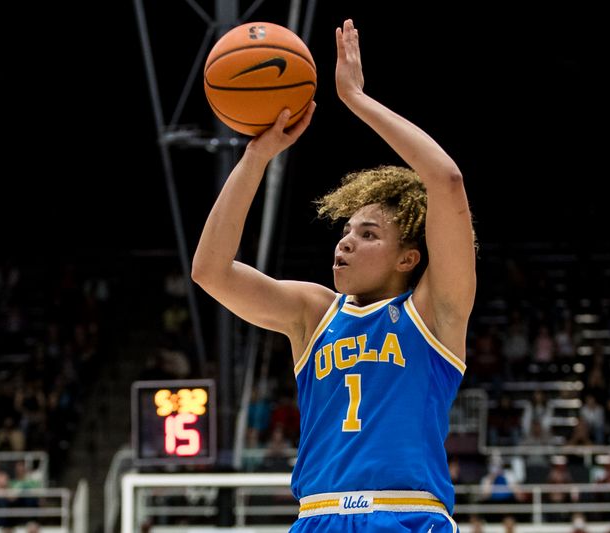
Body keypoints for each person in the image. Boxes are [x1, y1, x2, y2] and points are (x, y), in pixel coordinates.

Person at [192, 18, 476, 533]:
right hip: (318, 516)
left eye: (368, 234)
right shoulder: (313, 313)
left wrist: (357, 101)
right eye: (346, 230)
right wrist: (256, 155)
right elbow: (210, 270)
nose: (345, 241)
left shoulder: (435, 313)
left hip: (407, 516)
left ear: (408, 257)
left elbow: (446, 180)